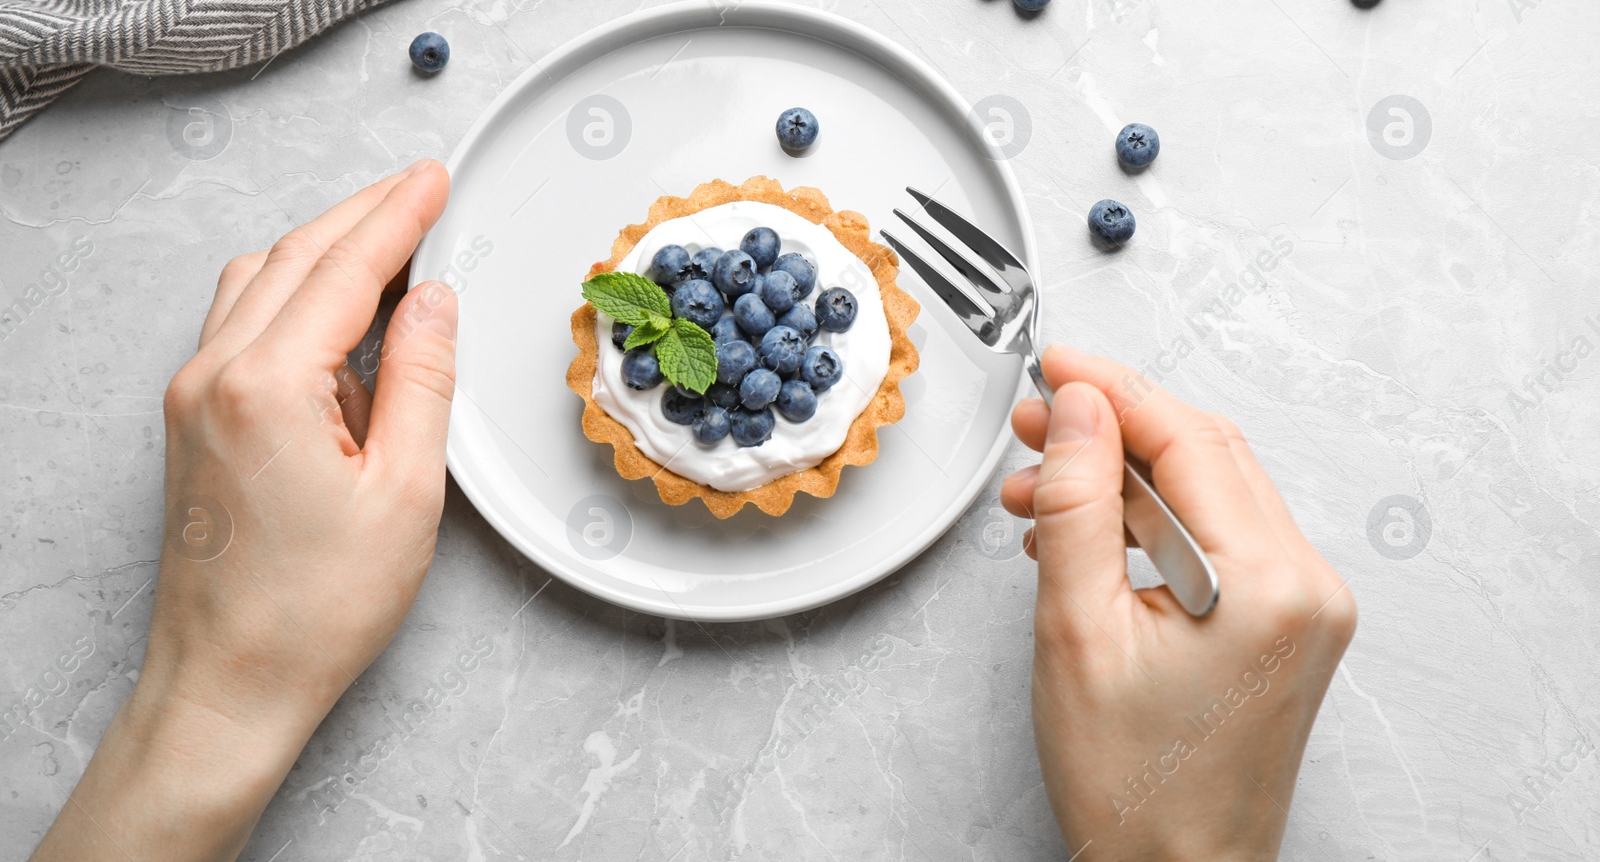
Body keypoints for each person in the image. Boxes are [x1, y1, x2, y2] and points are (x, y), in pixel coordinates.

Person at [30, 164, 1355, 860]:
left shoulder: (781, 356)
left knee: (769, 357)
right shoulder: (671, 342)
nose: (791, 320)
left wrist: (205, 710)